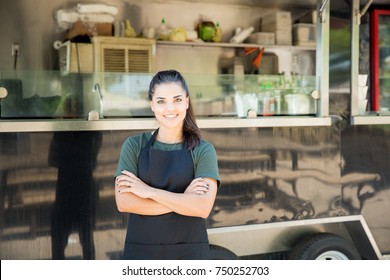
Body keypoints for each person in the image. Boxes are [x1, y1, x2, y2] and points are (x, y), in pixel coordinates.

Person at [115, 69, 220, 260]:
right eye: (161, 101)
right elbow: (125, 202)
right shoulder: (133, 146)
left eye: (177, 100)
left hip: (188, 254)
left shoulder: (203, 151)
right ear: (152, 105)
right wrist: (184, 200)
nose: (170, 108)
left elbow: (202, 208)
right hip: (142, 253)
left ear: (187, 102)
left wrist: (148, 192)